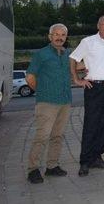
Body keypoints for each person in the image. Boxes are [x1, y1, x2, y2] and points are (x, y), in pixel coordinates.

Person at [69, 15, 104, 176]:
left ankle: (97, 157)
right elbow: (73, 58)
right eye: (103, 23)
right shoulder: (88, 41)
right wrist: (77, 79)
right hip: (94, 87)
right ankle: (85, 161)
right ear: (98, 25)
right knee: (91, 124)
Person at [26, 24, 72, 184]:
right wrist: (42, 91)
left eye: (63, 35)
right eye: (56, 34)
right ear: (50, 36)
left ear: (66, 37)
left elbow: (74, 69)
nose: (60, 37)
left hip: (65, 101)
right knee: (42, 136)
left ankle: (52, 166)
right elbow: (30, 77)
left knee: (57, 136)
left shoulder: (67, 54)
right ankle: (33, 169)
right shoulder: (41, 54)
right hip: (47, 102)